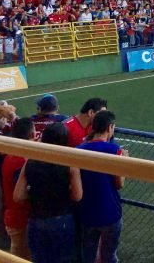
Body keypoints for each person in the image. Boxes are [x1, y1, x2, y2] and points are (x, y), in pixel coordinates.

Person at [13, 122, 83, 263]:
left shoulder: (30, 161)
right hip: (61, 220)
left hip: (36, 219)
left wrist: (36, 193)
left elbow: (18, 196)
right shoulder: (70, 164)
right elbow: (77, 196)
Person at [77, 110, 128, 263]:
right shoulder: (115, 151)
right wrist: (125, 163)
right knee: (109, 256)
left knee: (88, 255)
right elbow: (119, 184)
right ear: (109, 127)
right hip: (110, 213)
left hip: (86, 213)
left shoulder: (79, 150)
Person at [1, 118, 35, 259]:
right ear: (32, 135)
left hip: (15, 217)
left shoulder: (11, 155)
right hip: (20, 219)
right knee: (20, 256)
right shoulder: (20, 160)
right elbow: (21, 195)